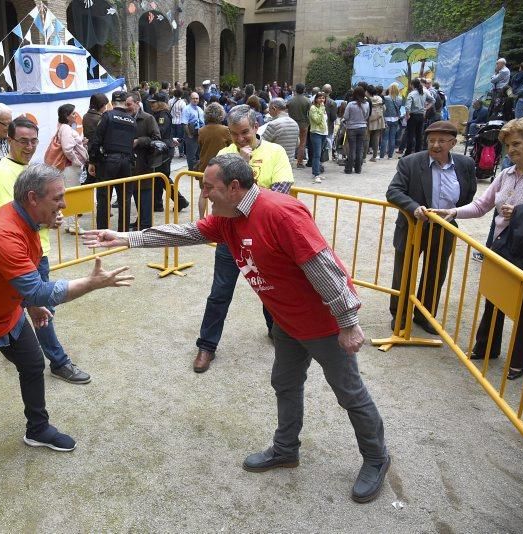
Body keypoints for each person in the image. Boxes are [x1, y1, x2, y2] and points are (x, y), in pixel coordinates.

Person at [84, 153, 390, 503]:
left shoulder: (279, 212)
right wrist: (126, 238)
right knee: (285, 384)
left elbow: (323, 267)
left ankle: (377, 458)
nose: (204, 195)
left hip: (322, 324)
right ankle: (286, 449)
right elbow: (185, 232)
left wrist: (348, 323)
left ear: (233, 187)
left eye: (209, 188)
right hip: (287, 322)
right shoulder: (228, 218)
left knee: (349, 393)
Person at [0, 163, 133, 468]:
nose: (64, 205)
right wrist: (92, 283)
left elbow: (20, 280)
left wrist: (29, 304)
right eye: (57, 198)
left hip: (9, 313)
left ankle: (37, 429)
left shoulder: (27, 221)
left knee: (32, 365)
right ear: (33, 197)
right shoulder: (3, 232)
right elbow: (40, 289)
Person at [0, 117, 93, 385]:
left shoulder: (30, 169)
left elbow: (37, 214)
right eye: (23, 141)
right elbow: (12, 223)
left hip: (37, 251)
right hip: (22, 255)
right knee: (41, 309)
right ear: (9, 140)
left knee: (35, 307)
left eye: (34, 140)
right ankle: (59, 362)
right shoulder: (3, 174)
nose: (29, 146)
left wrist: (52, 217)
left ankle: (14, 342)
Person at [431, 116, 523, 380]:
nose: (511, 151)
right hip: (501, 245)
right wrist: (453, 211)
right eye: (508, 146)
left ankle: (519, 361)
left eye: (517, 144)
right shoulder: (505, 174)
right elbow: (481, 206)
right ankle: (487, 347)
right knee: (495, 297)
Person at [192, 105, 293, 373]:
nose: (239, 139)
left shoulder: (275, 152)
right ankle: (206, 345)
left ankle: (277, 332)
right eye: (234, 133)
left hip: (265, 239)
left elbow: (279, 195)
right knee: (219, 293)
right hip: (230, 236)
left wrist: (243, 176)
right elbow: (216, 194)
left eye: (245, 132)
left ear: (256, 126)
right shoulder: (224, 155)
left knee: (272, 291)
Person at [386, 121, 477, 334]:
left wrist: (453, 212)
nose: (435, 145)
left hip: (445, 227)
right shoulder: (410, 162)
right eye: (431, 140)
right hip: (413, 226)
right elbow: (394, 191)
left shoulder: (465, 164)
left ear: (453, 143)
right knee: (404, 271)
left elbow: (469, 193)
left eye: (442, 141)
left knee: (435, 273)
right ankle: (399, 314)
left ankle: (425, 315)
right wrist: (414, 207)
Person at [88, 90, 136, 232]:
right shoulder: (132, 120)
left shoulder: (107, 116)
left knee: (104, 198)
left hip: (108, 161)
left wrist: (92, 161)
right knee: (125, 199)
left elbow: (96, 141)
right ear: (124, 102)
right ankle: (124, 231)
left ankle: (102, 231)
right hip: (127, 162)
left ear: (112, 102)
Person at [125, 92, 161, 230]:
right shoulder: (126, 117)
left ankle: (145, 225)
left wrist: (139, 141)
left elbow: (157, 138)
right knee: (136, 193)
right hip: (131, 164)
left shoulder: (148, 118)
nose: (127, 107)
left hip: (144, 163)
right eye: (126, 104)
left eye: (129, 104)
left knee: (145, 194)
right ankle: (140, 220)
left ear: (137, 103)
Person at [149, 92, 189, 212]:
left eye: (153, 102)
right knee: (158, 178)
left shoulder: (163, 116)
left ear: (160, 103)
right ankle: (158, 204)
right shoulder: (158, 114)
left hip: (164, 150)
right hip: (162, 149)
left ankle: (180, 201)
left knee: (163, 177)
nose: (151, 104)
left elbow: (159, 132)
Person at [55, 103, 89, 233]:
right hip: (70, 168)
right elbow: (68, 149)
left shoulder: (63, 128)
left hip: (68, 168)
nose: (75, 115)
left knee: (69, 195)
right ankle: (74, 225)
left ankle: (71, 224)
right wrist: (76, 162)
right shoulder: (66, 129)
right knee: (73, 195)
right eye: (73, 113)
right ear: (67, 116)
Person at [263, 98, 299, 164]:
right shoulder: (294, 123)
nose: (269, 111)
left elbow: (262, 143)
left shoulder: (273, 124)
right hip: (289, 162)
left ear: (274, 108)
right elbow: (297, 143)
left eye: (269, 108)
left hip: (275, 162)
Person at [197, 102, 231, 172]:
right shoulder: (225, 130)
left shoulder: (201, 130)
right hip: (220, 168)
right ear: (221, 115)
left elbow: (201, 148)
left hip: (205, 166)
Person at [342, 86, 370, 174]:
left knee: (352, 149)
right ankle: (358, 169)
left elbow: (346, 117)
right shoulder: (367, 104)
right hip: (362, 127)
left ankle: (349, 169)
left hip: (351, 128)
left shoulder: (350, 104)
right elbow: (366, 116)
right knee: (360, 148)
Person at [287, 83, 311, 168]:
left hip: (291, 124)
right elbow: (310, 113)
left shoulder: (290, 100)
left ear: (295, 90)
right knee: (302, 143)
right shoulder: (307, 101)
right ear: (304, 90)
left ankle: (288, 161)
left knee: (290, 143)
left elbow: (285, 110)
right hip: (303, 124)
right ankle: (299, 162)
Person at [308, 92, 328, 184]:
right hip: (316, 133)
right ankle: (316, 174)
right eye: (319, 98)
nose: (321, 100)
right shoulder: (313, 108)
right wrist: (322, 108)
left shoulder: (322, 108)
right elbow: (316, 120)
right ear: (315, 99)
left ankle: (317, 172)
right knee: (317, 154)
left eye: (323, 98)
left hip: (324, 133)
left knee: (320, 153)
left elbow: (324, 120)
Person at [404, 79, 427, 156]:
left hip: (413, 116)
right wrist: (425, 109)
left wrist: (407, 115)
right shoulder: (424, 92)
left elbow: (407, 107)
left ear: (412, 85)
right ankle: (418, 152)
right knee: (419, 135)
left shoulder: (411, 94)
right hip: (421, 116)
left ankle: (408, 153)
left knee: (410, 135)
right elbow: (432, 100)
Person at [181, 92, 204, 171]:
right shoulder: (186, 109)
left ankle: (197, 169)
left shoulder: (200, 109)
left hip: (199, 134)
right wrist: (189, 135)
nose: (195, 100)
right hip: (191, 134)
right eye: (193, 98)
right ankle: (191, 170)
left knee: (198, 153)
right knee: (191, 154)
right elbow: (184, 123)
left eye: (197, 98)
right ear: (190, 99)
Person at [381, 85, 403, 160]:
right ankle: (390, 156)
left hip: (387, 119)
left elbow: (383, 107)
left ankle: (382, 156)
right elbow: (399, 108)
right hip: (395, 119)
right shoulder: (400, 99)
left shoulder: (386, 98)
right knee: (392, 138)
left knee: (384, 138)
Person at [367, 86, 386, 162]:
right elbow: (384, 109)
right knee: (376, 138)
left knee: (367, 138)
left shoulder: (367, 100)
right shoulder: (380, 99)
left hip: (369, 120)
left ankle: (364, 157)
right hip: (379, 120)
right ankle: (374, 156)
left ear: (368, 92)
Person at [168, 89, 187, 158]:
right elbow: (184, 113)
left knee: (172, 138)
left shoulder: (170, 101)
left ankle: (172, 152)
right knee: (180, 138)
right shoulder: (183, 103)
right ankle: (181, 152)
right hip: (180, 122)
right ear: (181, 95)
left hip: (172, 121)